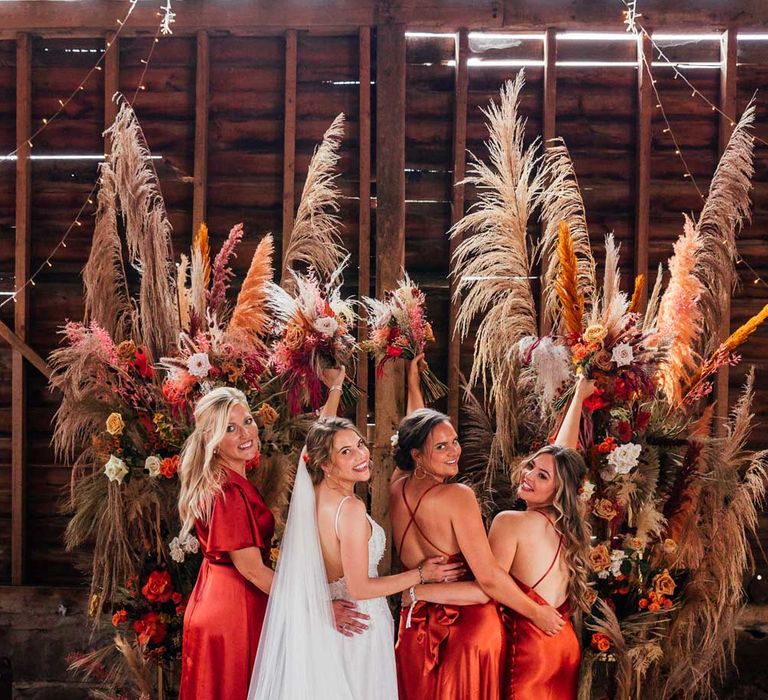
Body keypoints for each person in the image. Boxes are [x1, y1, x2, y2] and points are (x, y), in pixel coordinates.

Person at [250, 367, 461, 699]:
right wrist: (420, 574)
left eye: (359, 445)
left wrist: (335, 390)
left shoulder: (316, 493)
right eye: (346, 452)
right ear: (326, 464)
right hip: (359, 627)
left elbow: (316, 441)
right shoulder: (349, 509)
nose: (362, 455)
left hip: (328, 625)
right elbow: (360, 587)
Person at [407, 375, 595, 700]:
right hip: (563, 646)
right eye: (531, 466)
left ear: (558, 489)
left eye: (541, 475)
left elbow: (485, 589)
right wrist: (577, 397)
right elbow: (564, 457)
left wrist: (413, 591)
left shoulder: (511, 522)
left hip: (530, 650)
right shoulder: (570, 527)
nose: (529, 475)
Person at [177, 387, 276, 700]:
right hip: (235, 609)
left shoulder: (226, 480)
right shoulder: (228, 491)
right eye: (230, 428)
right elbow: (253, 571)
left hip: (216, 596)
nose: (245, 433)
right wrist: (315, 604)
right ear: (212, 439)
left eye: (247, 421)